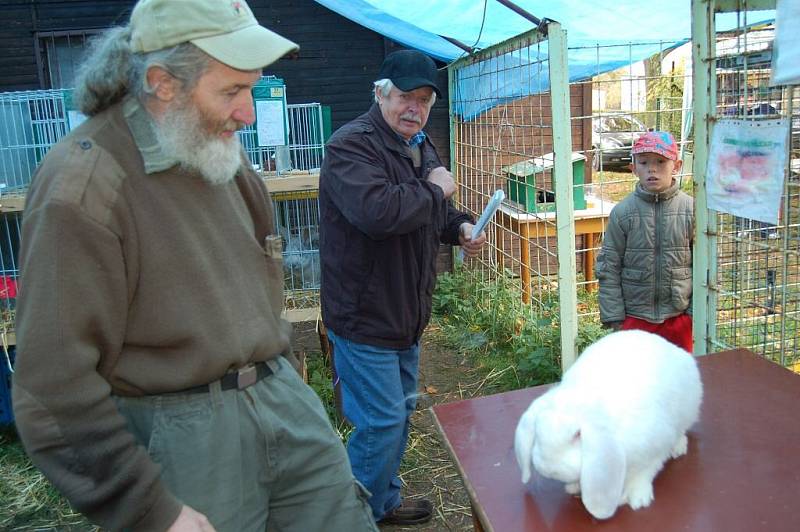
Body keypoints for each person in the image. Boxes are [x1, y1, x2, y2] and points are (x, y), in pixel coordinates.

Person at [11, 1, 378, 531]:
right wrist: (149, 508)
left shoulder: (218, 151)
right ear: (163, 83)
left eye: (251, 88)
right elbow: (51, 391)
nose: (248, 114)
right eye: (231, 91)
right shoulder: (85, 184)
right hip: (183, 431)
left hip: (281, 397)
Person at [318, 49, 487, 526]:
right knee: (381, 422)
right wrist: (436, 190)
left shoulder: (418, 143)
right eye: (405, 97)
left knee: (401, 412)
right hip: (364, 314)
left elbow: (427, 212)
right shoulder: (350, 146)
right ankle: (351, 518)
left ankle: (382, 501)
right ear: (380, 93)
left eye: (425, 100)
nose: (415, 108)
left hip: (405, 311)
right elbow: (380, 213)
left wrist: (458, 228)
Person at [594, 130, 694, 352]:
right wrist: (615, 318)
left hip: (678, 317)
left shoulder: (691, 210)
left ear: (676, 166)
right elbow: (609, 266)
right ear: (633, 168)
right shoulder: (623, 213)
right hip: (635, 318)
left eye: (660, 161)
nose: (652, 169)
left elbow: (703, 265)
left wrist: (693, 314)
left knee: (678, 377)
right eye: (644, 162)